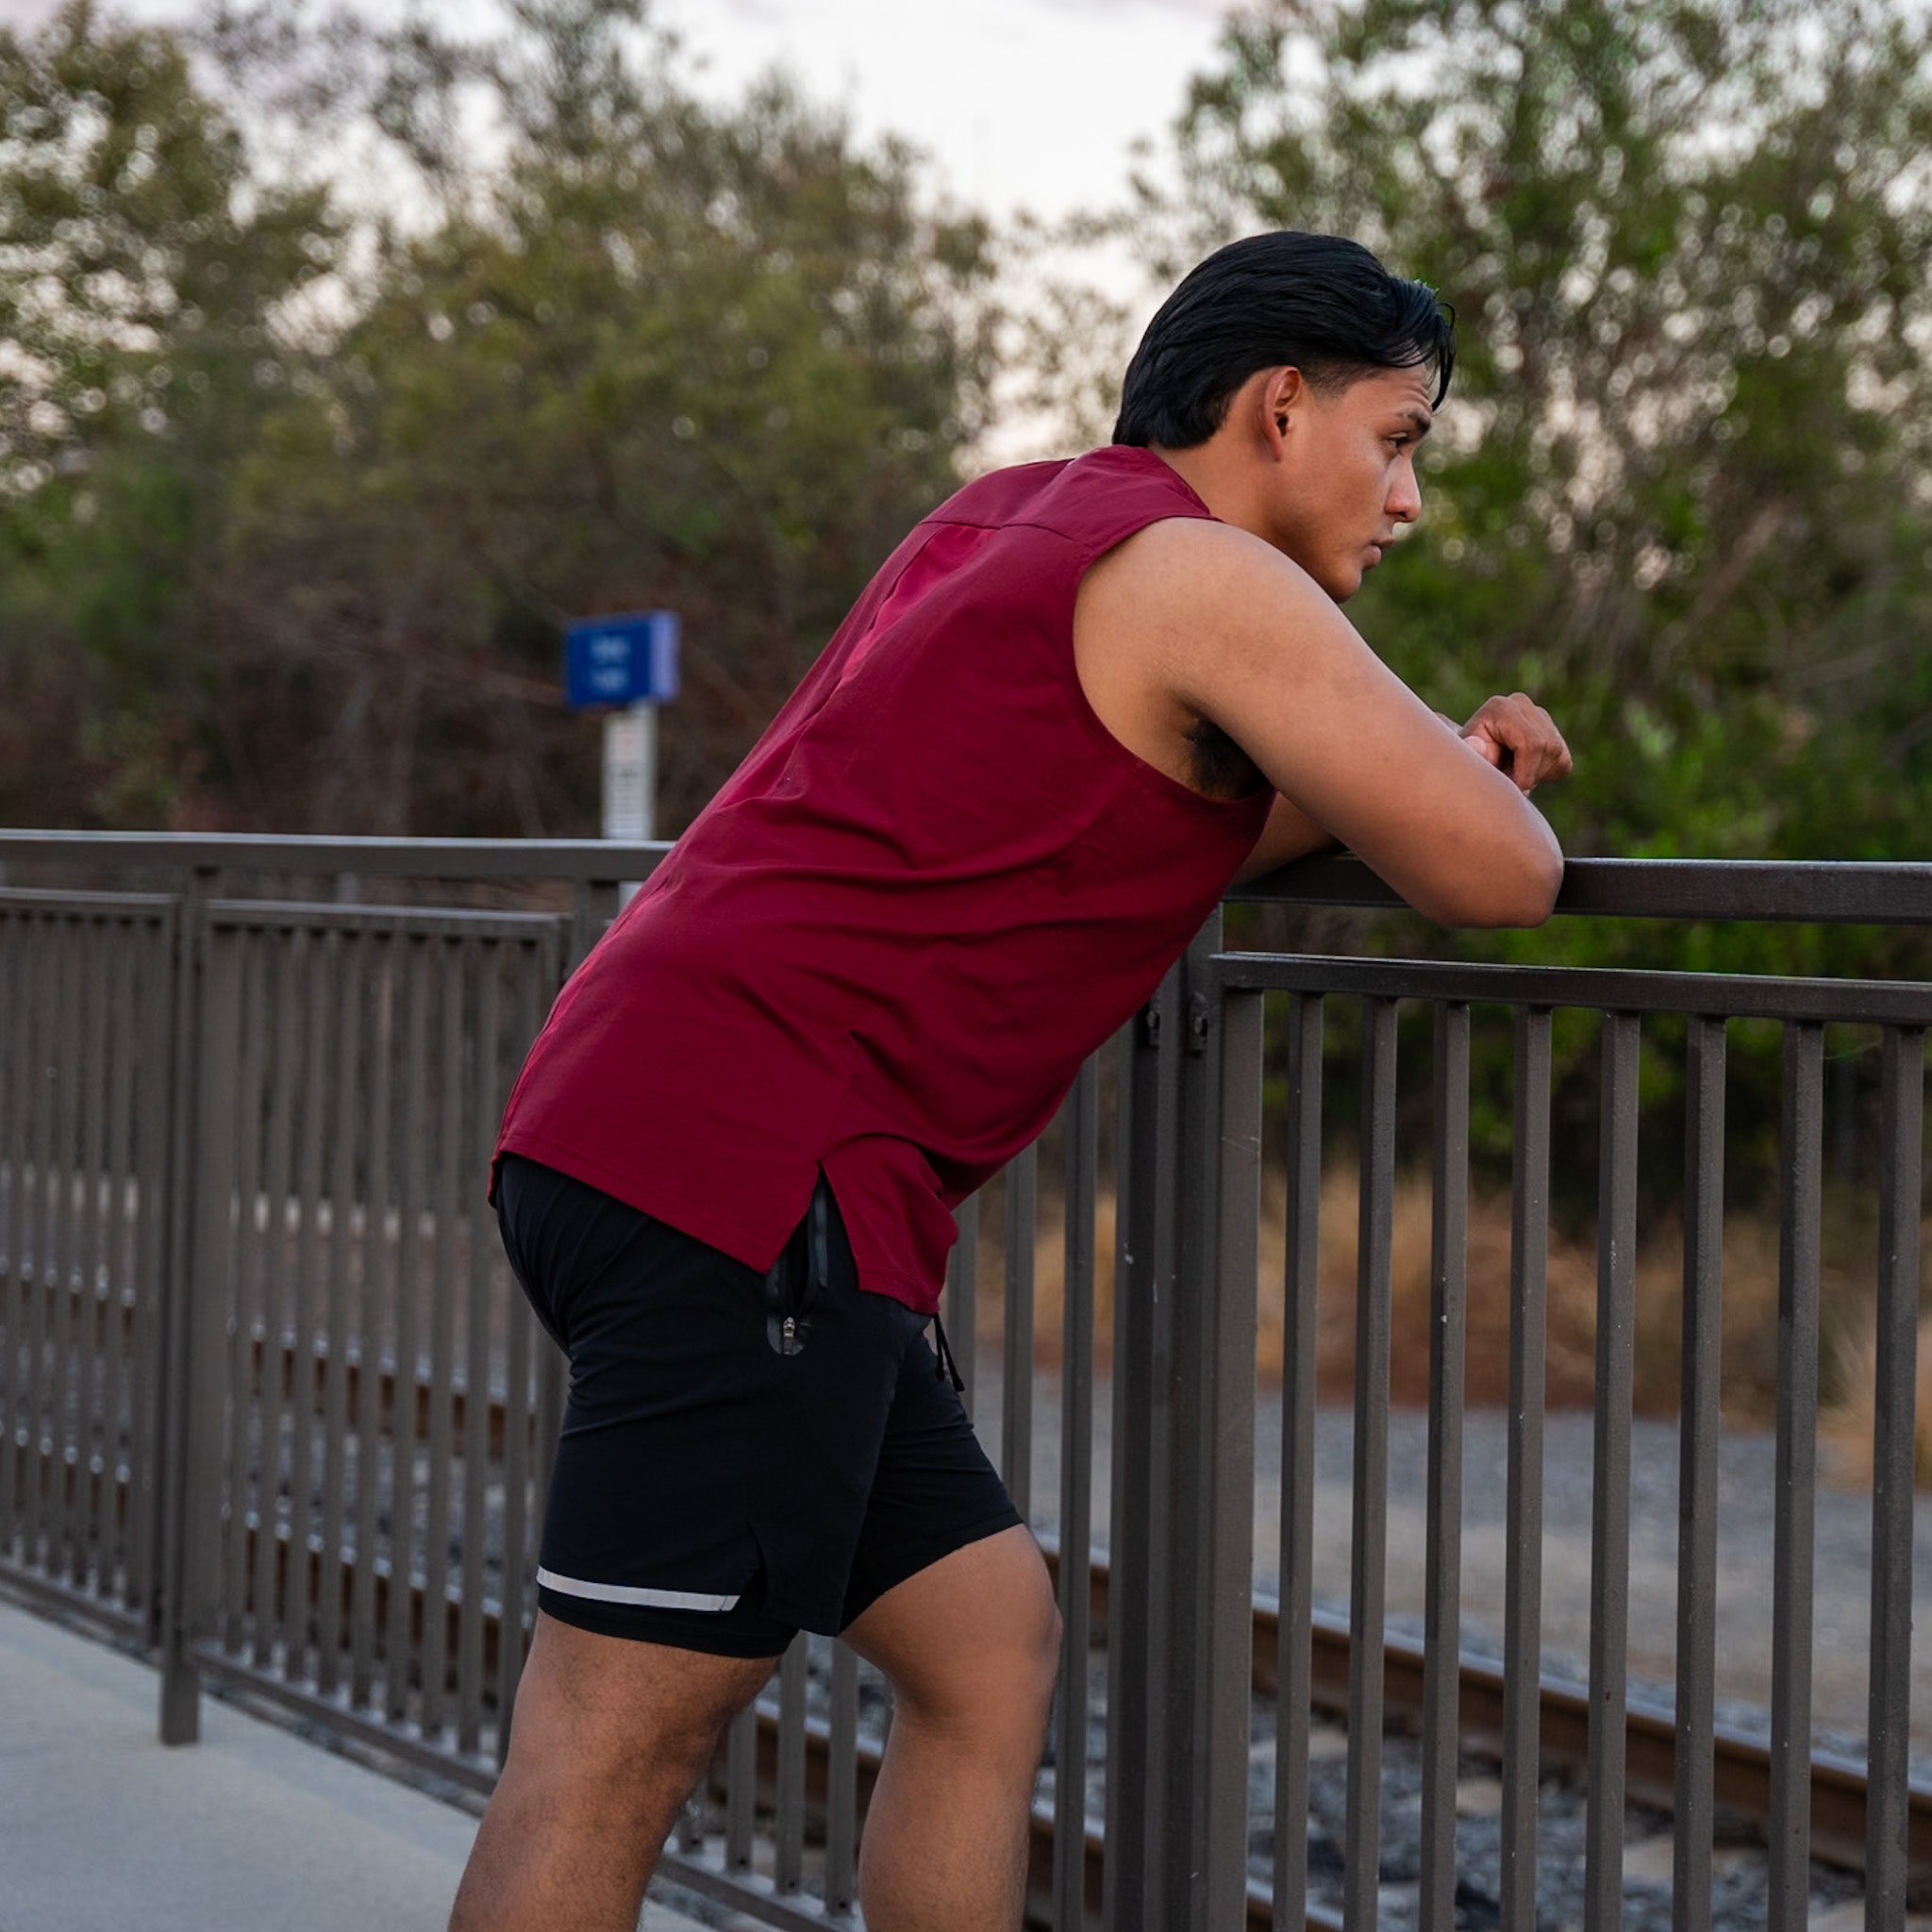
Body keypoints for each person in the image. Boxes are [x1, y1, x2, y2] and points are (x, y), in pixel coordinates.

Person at [450, 230, 1572, 1932]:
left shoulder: (1017, 513)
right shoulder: (1211, 577)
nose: (1406, 497)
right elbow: (1506, 875)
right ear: (1283, 408)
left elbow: (1191, 800)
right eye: (1398, 438)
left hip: (647, 1126)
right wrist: (1474, 761)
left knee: (984, 1646)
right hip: (756, 1186)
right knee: (609, 1750)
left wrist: (1414, 771)